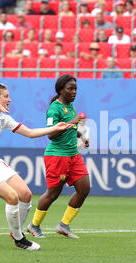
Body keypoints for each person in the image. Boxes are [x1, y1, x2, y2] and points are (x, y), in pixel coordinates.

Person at [0, 83, 73, 250]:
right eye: (6, 96)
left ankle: (17, 231)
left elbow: (29, 133)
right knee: (12, 196)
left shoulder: (3, 118)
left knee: (25, 194)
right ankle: (19, 238)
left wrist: (54, 128)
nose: (10, 99)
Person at [28, 75, 90, 239]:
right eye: (70, 88)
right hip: (57, 155)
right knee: (53, 193)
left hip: (73, 155)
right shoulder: (54, 108)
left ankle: (64, 225)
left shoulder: (70, 107)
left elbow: (70, 128)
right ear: (61, 90)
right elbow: (51, 134)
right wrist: (73, 121)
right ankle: (34, 225)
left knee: (84, 189)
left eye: (75, 88)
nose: (74, 92)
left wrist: (82, 137)